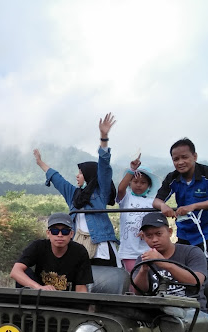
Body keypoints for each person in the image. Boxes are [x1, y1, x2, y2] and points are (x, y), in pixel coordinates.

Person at [34, 113, 119, 267]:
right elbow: (56, 178)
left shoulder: (101, 193)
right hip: (78, 246)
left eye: (80, 172)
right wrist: (40, 163)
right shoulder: (73, 194)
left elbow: (104, 167)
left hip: (101, 246)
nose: (77, 175)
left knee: (105, 280)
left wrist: (103, 137)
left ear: (88, 175)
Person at [132, 213, 208, 332]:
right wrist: (144, 270)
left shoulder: (192, 252)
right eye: (149, 236)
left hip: (190, 312)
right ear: (143, 237)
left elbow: (196, 281)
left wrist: (163, 263)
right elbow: (138, 292)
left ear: (169, 232)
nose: (154, 239)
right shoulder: (143, 258)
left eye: (158, 234)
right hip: (155, 313)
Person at [153, 138, 208, 271]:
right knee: (182, 269)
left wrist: (194, 206)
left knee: (207, 270)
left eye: (184, 157)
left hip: (206, 231)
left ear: (194, 156)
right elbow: (156, 201)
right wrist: (163, 206)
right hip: (183, 232)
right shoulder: (172, 178)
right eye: (176, 159)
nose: (180, 162)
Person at [10, 213, 93, 292]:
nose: (60, 235)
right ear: (48, 233)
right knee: (24, 271)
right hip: (38, 297)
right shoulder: (38, 246)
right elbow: (15, 272)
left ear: (71, 234)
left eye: (65, 232)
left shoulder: (79, 252)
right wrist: (38, 287)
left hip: (66, 300)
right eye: (55, 231)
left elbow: (81, 287)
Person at [116, 154, 160, 272]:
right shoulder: (126, 198)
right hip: (129, 251)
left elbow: (158, 221)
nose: (139, 185)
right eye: (135, 181)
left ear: (149, 185)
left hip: (148, 249)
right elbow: (120, 189)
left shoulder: (153, 202)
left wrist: (147, 230)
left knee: (148, 279)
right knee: (132, 280)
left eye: (143, 182)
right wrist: (132, 170)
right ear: (130, 183)